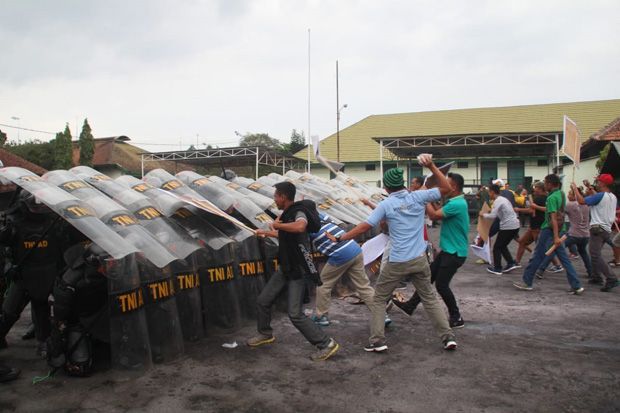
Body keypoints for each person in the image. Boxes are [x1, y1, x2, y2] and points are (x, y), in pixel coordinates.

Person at [326, 160, 458, 352]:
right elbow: (446, 187)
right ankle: (448, 338)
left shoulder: (386, 204)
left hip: (397, 260)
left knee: (379, 299)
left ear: (387, 187)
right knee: (429, 298)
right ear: (403, 184)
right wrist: (431, 166)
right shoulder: (418, 197)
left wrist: (341, 237)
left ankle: (377, 341)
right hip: (419, 259)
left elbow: (365, 226)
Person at [249, 182, 339, 362]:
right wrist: (266, 233)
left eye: (276, 196)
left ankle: (325, 344)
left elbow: (299, 227)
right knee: (263, 300)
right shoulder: (287, 214)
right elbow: (286, 234)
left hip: (298, 269)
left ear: (283, 196)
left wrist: (277, 225)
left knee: (295, 313)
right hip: (286, 267)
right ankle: (265, 333)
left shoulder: (298, 212)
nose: (274, 199)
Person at [391, 172, 469, 329]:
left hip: (454, 253)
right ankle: (411, 305)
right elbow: (439, 210)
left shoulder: (457, 204)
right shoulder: (455, 201)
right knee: (426, 279)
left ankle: (456, 316)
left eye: (446, 184)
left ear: (453, 187)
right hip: (449, 250)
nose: (443, 187)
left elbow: (433, 215)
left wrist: (423, 196)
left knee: (441, 285)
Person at [0, 191, 70, 356]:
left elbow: (63, 248)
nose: (38, 207)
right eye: (34, 204)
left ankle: (43, 340)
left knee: (41, 308)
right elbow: (5, 242)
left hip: (48, 271)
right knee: (9, 311)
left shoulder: (55, 222)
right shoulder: (14, 222)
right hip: (23, 273)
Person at [309, 213, 390, 327]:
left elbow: (294, 233)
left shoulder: (305, 224)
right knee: (363, 286)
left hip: (340, 254)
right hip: (355, 249)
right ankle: (382, 315)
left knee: (323, 284)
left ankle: (321, 316)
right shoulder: (322, 216)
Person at [513, 174, 583, 294]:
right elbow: (553, 212)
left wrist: (555, 236)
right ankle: (576, 285)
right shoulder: (560, 194)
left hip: (549, 230)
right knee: (564, 259)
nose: (544, 185)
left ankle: (527, 281)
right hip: (560, 229)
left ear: (550, 184)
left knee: (537, 255)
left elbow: (553, 218)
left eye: (545, 183)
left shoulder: (551, 198)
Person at [571, 174, 618, 292]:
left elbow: (581, 201)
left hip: (598, 228)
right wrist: (589, 187)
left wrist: (575, 189)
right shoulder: (612, 196)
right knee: (594, 253)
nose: (597, 183)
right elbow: (597, 197)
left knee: (595, 254)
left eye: (598, 182)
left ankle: (611, 278)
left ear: (603, 183)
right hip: (606, 228)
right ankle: (596, 276)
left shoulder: (601, 196)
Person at [480, 184, 521, 275]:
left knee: (497, 248)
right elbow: (498, 212)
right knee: (502, 245)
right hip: (515, 225)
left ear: (492, 192)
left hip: (508, 226)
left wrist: (483, 215)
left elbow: (493, 216)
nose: (488, 194)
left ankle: (497, 268)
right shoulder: (504, 199)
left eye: (489, 192)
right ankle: (510, 263)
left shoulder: (497, 201)